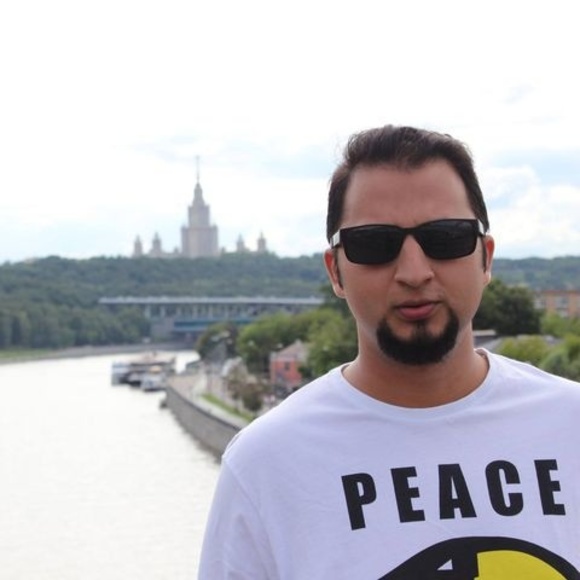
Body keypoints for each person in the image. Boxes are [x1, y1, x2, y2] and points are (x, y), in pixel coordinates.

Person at [198, 125, 580, 578]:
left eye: (446, 237)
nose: (414, 272)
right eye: (374, 244)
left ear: (486, 258)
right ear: (335, 271)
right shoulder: (266, 465)